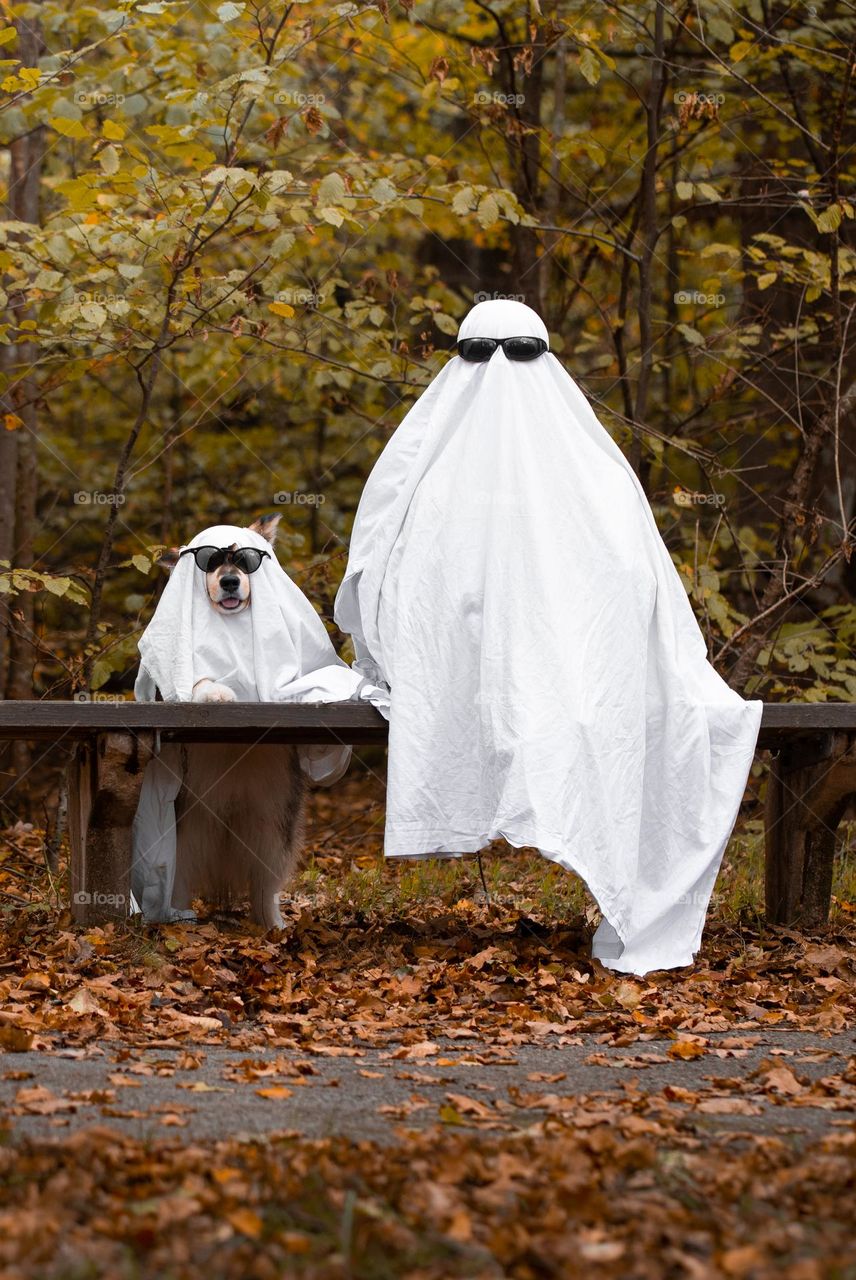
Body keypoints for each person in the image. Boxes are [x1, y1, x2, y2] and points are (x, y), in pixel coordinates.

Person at [334, 299, 762, 976]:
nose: (500, 371)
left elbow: (629, 583)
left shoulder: (586, 477)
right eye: (482, 353)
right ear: (462, 358)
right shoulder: (435, 474)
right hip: (478, 689)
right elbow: (386, 578)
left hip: (569, 684)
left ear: (544, 356)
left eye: (518, 353)